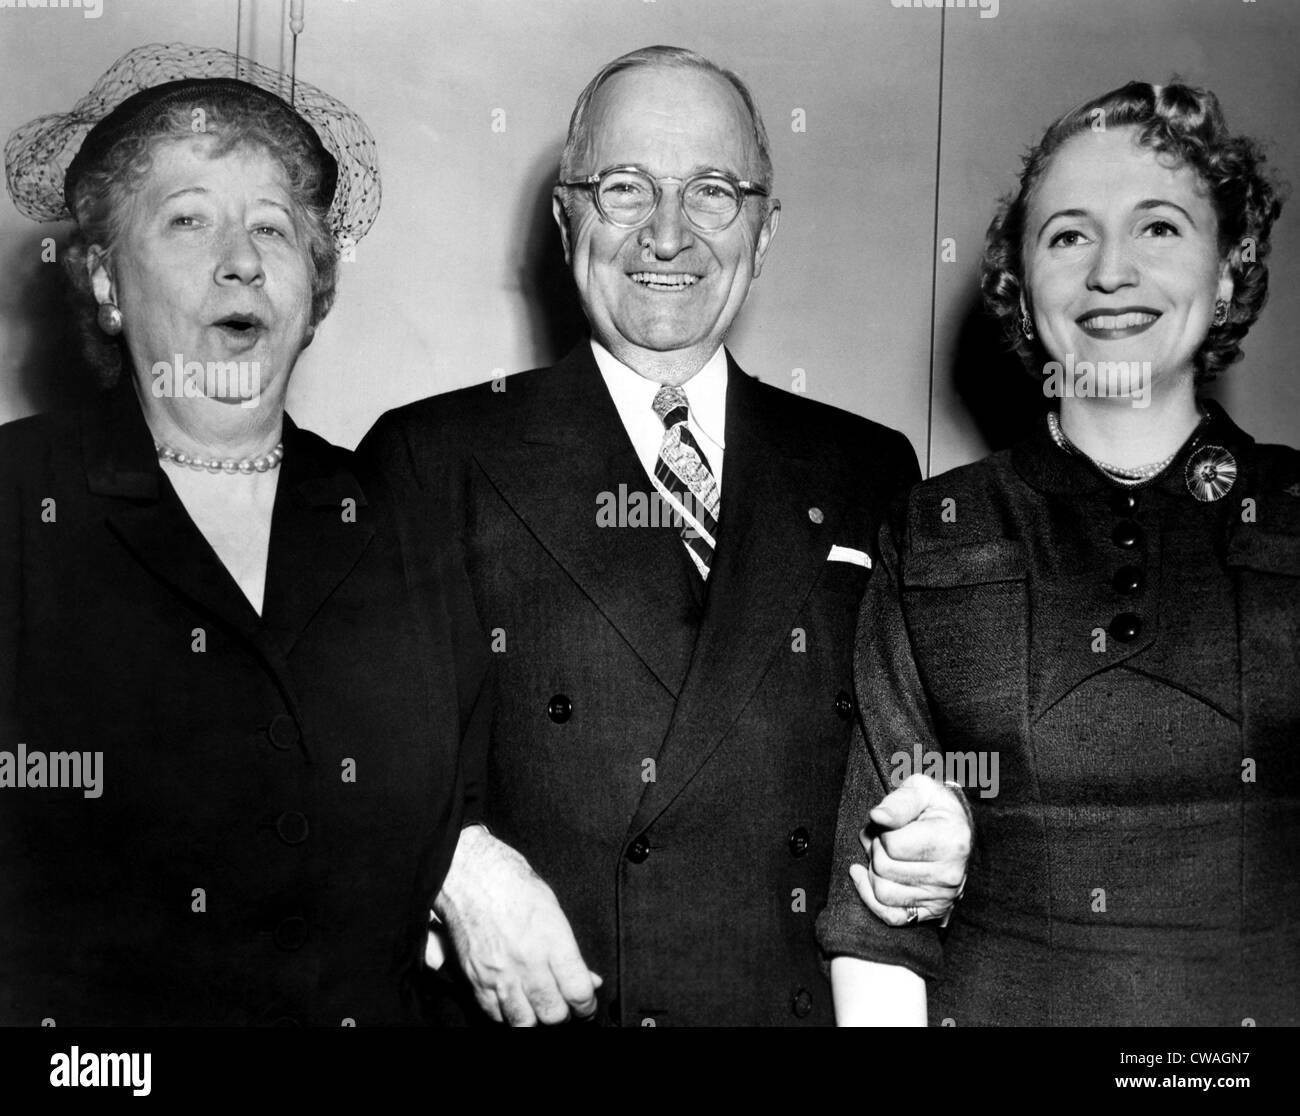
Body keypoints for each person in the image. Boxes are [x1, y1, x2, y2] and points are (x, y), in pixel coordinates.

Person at [361, 45, 972, 1027]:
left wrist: (943, 831)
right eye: (624, 188)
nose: (669, 233)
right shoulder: (429, 457)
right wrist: (453, 862)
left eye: (714, 192)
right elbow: (360, 761)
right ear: (566, 218)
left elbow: (922, 754)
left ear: (764, 230)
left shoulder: (868, 467)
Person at [0, 44, 488, 1025]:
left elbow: (455, 815)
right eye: (188, 220)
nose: (241, 258)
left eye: (273, 227)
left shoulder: (394, 520)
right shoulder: (16, 502)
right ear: (103, 280)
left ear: (313, 287)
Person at [819, 80, 1298, 1026]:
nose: (1111, 271)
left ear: (1231, 270)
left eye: (1160, 227)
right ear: (1020, 287)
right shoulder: (934, 530)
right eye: (1069, 234)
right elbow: (877, 924)